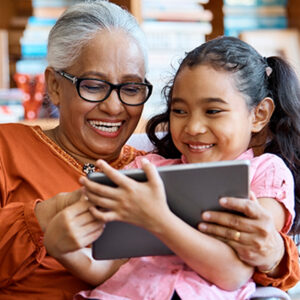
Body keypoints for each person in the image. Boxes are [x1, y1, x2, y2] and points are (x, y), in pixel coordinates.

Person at [0, 0, 297, 298]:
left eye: (130, 89)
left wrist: (273, 254)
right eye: (92, 86)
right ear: (53, 86)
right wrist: (46, 219)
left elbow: (259, 267)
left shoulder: (156, 172)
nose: (113, 107)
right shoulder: (7, 147)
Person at [68, 36, 300, 300]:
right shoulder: (147, 169)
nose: (192, 127)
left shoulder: (265, 172)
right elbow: (107, 267)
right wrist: (61, 246)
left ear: (258, 115)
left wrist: (159, 220)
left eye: (213, 111)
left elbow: (233, 271)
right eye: (180, 111)